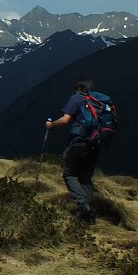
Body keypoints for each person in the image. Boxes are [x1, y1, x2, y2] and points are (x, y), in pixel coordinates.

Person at [46, 77, 99, 223]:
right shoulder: (98, 102)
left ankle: (83, 206)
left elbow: (65, 120)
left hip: (78, 143)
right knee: (85, 177)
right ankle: (88, 216)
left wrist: (51, 125)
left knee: (69, 174)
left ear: (78, 89)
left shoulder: (76, 99)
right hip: (95, 144)